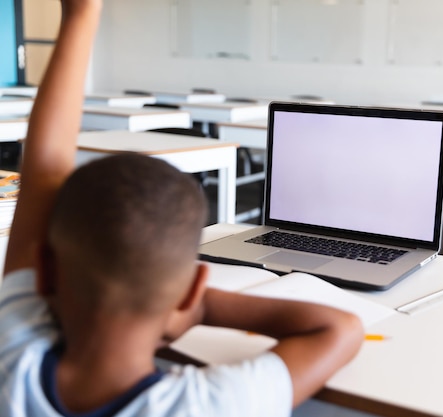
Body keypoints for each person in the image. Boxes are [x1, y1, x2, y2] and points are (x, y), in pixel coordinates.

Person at [0, 1, 364, 416]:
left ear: (44, 270)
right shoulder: (211, 405)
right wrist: (201, 305)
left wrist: (79, 16)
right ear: (191, 290)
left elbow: (45, 171)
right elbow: (340, 330)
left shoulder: (12, 355)